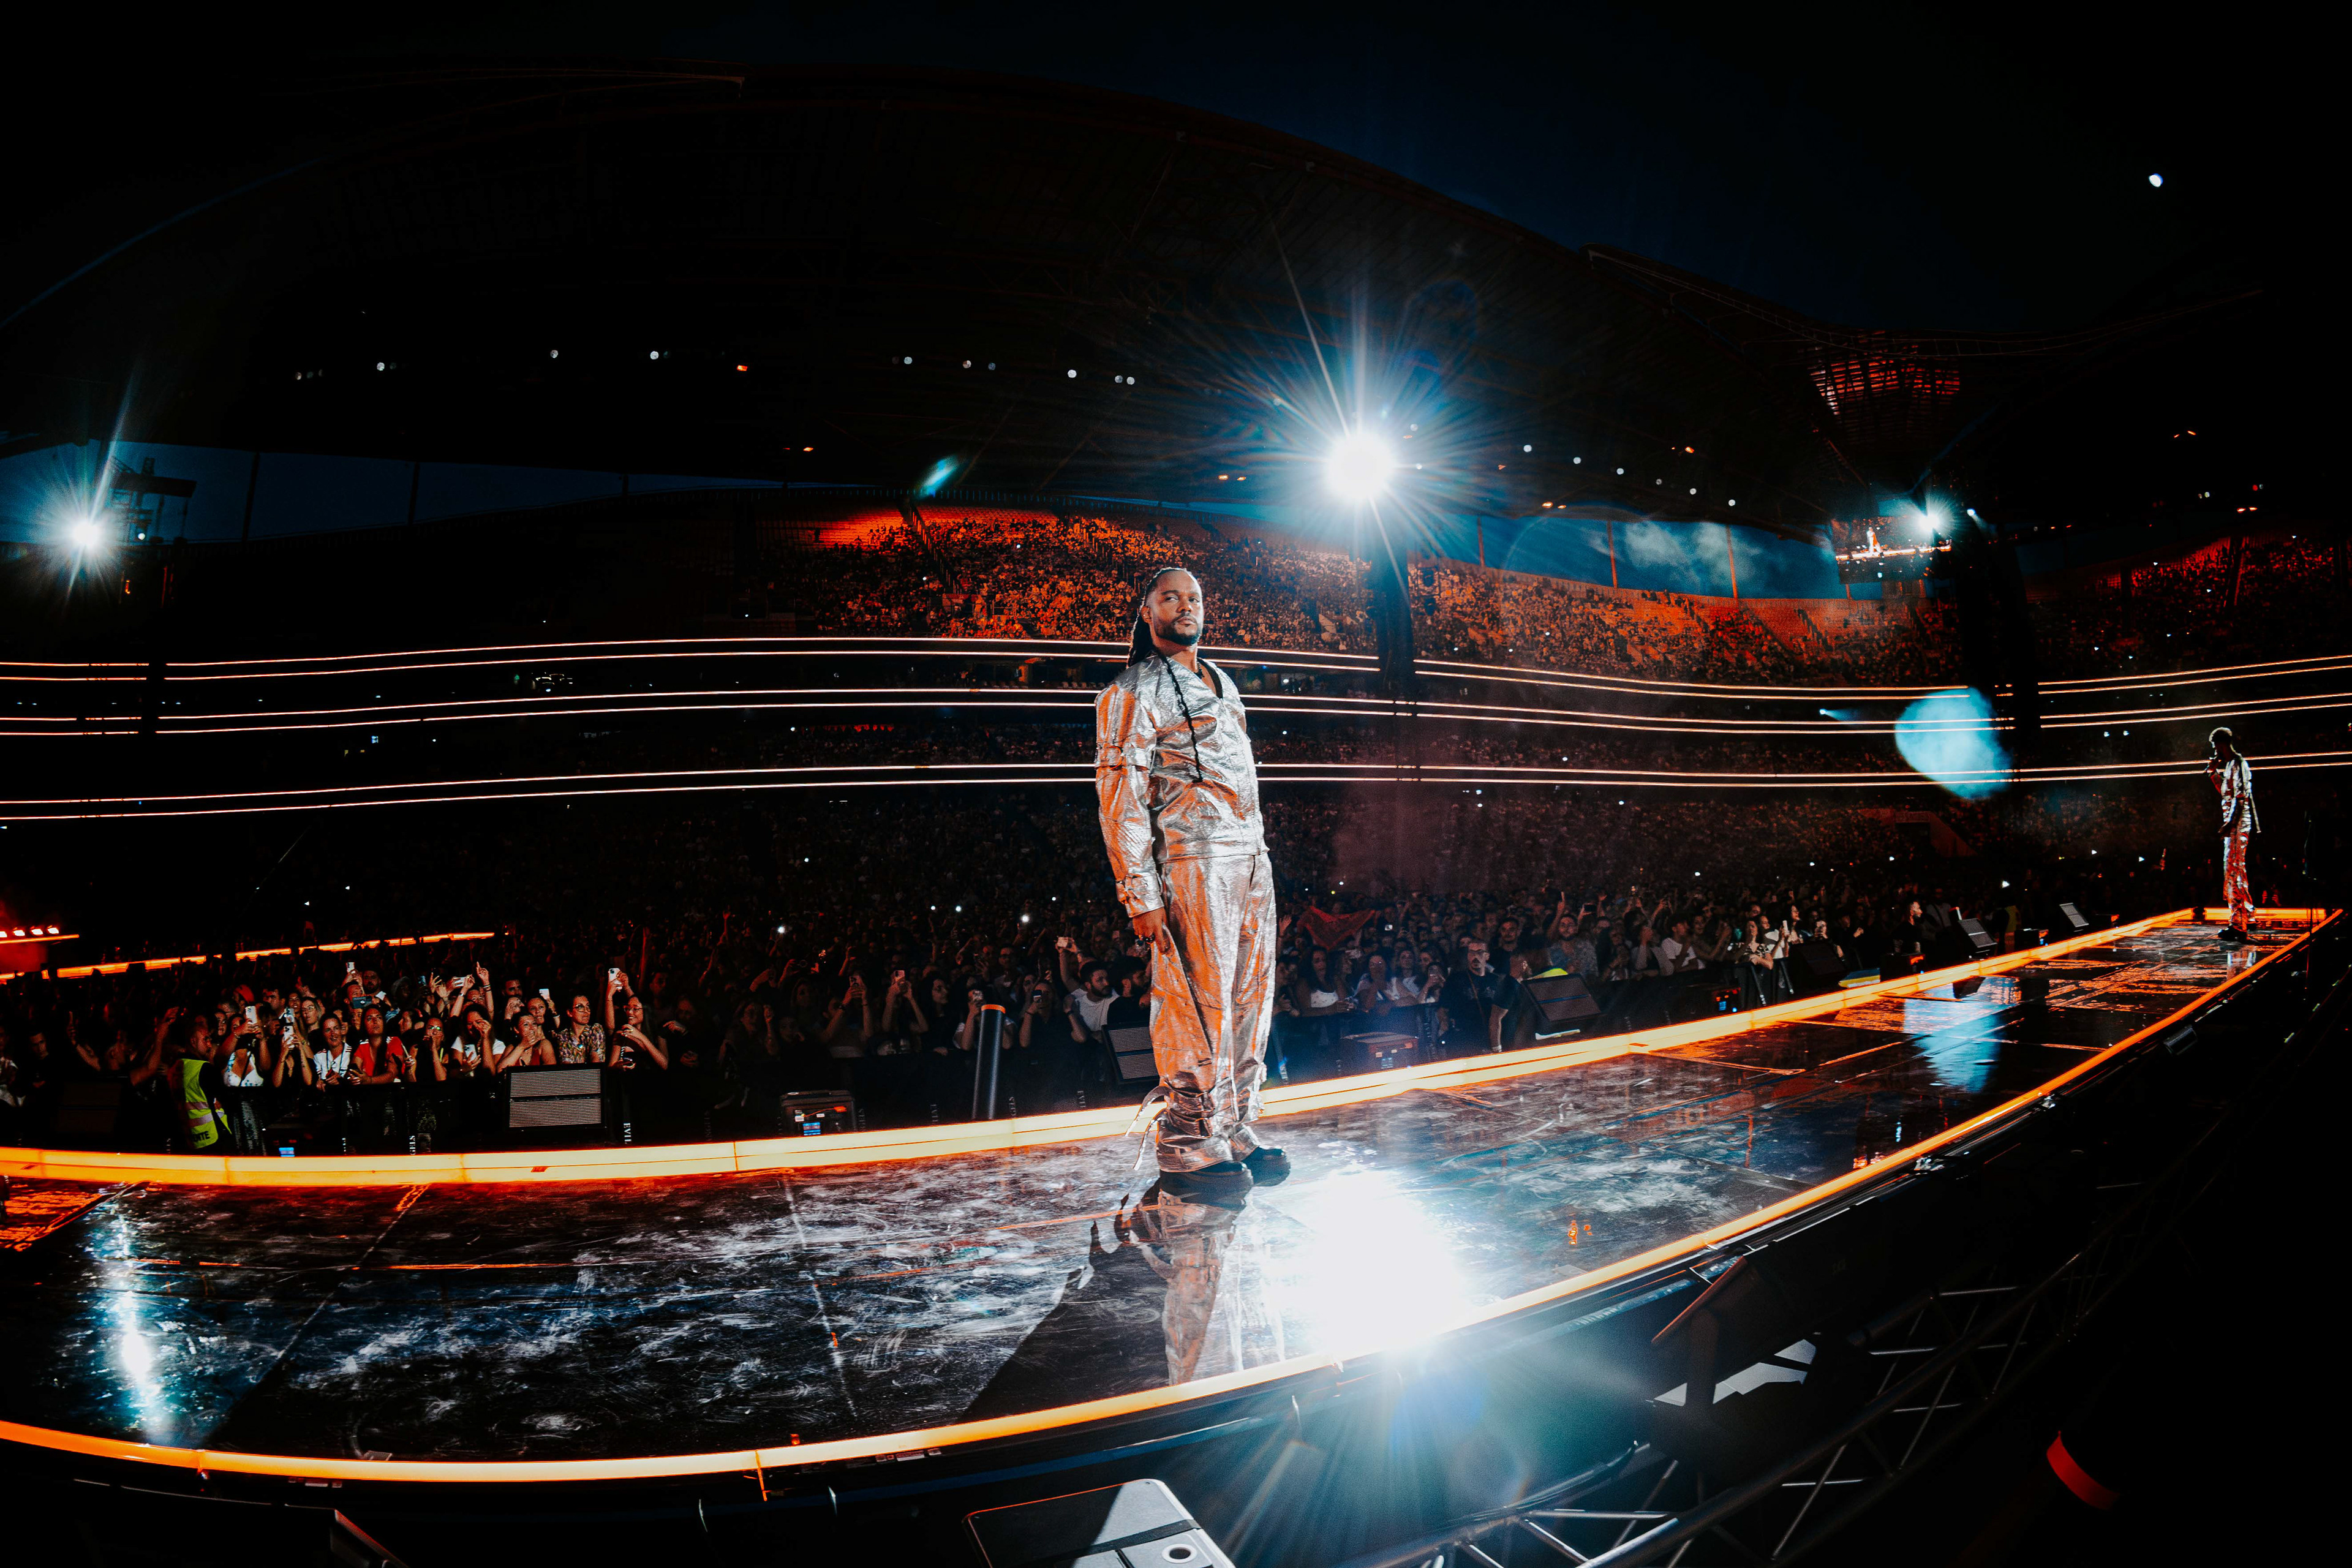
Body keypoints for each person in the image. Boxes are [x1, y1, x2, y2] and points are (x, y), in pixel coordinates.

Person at [1096, 565, 1284, 1200]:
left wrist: (1259, 852)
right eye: (1171, 596)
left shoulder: (1224, 681)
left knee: (1249, 998)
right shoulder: (1133, 688)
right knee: (1199, 1003)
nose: (1186, 605)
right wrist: (1140, 892)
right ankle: (1184, 1137)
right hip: (1192, 858)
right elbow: (1120, 794)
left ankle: (1232, 1123)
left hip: (1249, 855)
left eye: (1195, 596)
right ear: (1146, 611)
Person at [2208, 726, 2260, 943]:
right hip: (2235, 824)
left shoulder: (2239, 764)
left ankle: (2238, 925)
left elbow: (2240, 799)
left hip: (2238, 825)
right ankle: (2248, 914)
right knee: (2238, 869)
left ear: (2221, 745)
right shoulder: (2230, 766)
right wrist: (2213, 773)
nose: (2215, 752)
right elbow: (2225, 793)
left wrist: (2230, 824)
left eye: (2216, 748)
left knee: (2233, 872)